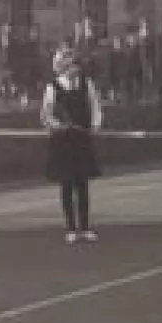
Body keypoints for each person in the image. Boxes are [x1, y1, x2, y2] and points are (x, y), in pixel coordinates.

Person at [42, 47, 103, 243]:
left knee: (82, 184)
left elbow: (95, 106)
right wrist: (58, 125)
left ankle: (85, 227)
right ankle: (71, 228)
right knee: (67, 184)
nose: (74, 69)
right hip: (63, 141)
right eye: (69, 66)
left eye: (75, 65)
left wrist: (95, 125)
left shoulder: (86, 83)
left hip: (82, 139)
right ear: (63, 67)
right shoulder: (53, 87)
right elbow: (46, 114)